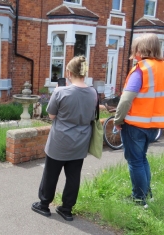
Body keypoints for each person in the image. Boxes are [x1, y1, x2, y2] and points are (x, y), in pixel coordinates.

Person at [31, 56, 96, 221]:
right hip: (81, 141)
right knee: (74, 176)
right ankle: (66, 209)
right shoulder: (93, 92)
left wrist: (58, 92)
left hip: (60, 140)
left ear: (69, 72)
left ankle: (44, 205)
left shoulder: (61, 91)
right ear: (84, 72)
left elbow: (51, 115)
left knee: (51, 173)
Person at [114, 33, 164, 207]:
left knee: (135, 161)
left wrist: (118, 120)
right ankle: (146, 195)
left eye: (135, 48)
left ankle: (138, 199)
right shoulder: (162, 67)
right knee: (142, 159)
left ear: (141, 49)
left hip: (135, 125)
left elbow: (126, 99)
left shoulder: (142, 69)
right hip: (154, 125)